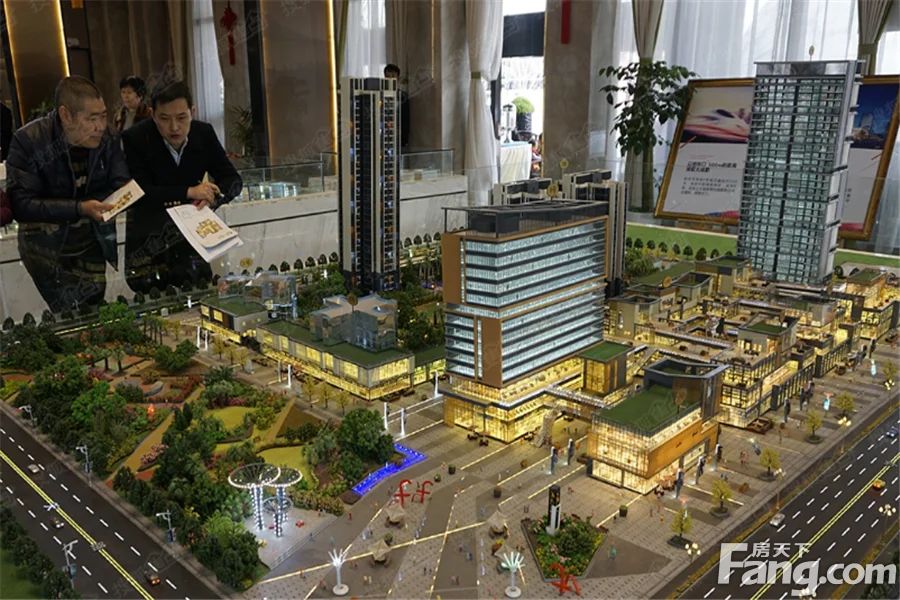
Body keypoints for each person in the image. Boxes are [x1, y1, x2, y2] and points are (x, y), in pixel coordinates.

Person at [7, 76, 128, 312]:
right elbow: (21, 204)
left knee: (94, 309)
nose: (100, 126)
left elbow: (120, 182)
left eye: (103, 116)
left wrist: (120, 196)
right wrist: (79, 208)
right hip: (47, 248)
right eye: (91, 119)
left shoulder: (107, 137)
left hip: (93, 240)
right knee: (67, 314)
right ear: (66, 115)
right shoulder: (29, 140)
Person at [122, 81, 242, 293]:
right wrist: (189, 191)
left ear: (192, 112)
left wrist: (213, 195)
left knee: (198, 295)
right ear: (153, 114)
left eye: (181, 117)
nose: (174, 127)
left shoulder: (203, 133)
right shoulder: (135, 138)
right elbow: (139, 192)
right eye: (164, 118)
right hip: (150, 242)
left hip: (192, 241)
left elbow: (233, 180)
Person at [384, 64, 410, 150]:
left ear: (398, 78)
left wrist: (404, 140)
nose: (390, 79)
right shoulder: (379, 95)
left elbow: (406, 119)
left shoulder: (403, 96)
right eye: (388, 76)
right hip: (382, 137)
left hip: (398, 138)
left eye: (393, 76)